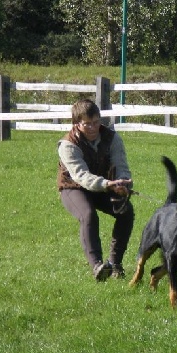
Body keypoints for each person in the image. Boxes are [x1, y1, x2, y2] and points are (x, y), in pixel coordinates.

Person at [57, 98, 134, 281]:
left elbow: (121, 165)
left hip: (103, 185)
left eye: (96, 122)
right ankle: (97, 266)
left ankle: (115, 264)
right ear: (76, 123)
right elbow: (81, 176)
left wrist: (123, 183)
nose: (93, 128)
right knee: (88, 214)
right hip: (73, 188)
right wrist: (107, 184)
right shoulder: (67, 145)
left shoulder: (112, 138)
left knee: (126, 211)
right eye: (87, 124)